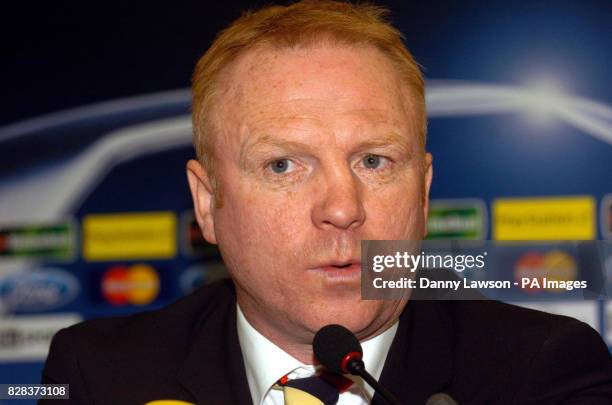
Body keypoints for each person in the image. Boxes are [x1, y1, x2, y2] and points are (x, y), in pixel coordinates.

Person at [41, 1, 612, 404]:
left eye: (374, 161)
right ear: (208, 202)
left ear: (424, 190)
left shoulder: (541, 369)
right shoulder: (94, 376)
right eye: (283, 165)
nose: (342, 207)